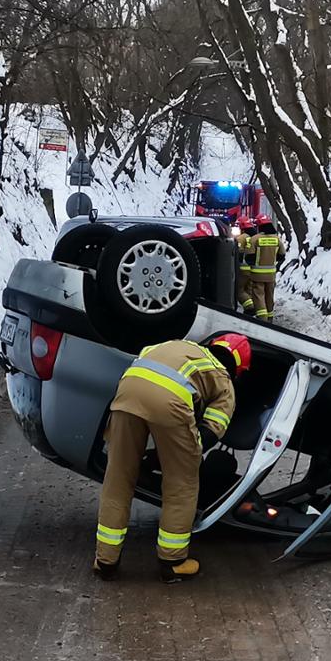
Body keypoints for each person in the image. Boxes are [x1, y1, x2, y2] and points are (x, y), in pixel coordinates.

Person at [94, 333, 252, 583]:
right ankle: (173, 561)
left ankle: (105, 560)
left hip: (127, 390)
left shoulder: (178, 345)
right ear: (238, 369)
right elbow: (210, 432)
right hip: (172, 401)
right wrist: (183, 454)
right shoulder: (223, 380)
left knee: (118, 477)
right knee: (182, 483)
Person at [239, 216, 281, 321]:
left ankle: (262, 319)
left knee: (259, 296)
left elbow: (249, 257)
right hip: (271, 275)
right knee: (269, 296)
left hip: (257, 275)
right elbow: (282, 256)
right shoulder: (277, 239)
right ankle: (270, 317)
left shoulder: (255, 239)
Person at [235, 217, 258, 315]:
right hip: (253, 269)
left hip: (243, 268)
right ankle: (253, 309)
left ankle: (249, 308)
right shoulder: (256, 237)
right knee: (248, 290)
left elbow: (237, 252)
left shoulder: (242, 237)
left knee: (239, 290)